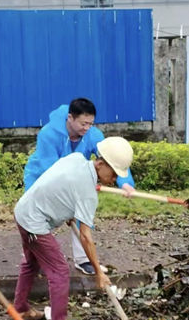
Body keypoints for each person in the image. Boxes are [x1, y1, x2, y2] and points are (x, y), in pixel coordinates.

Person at [12, 136, 134, 320]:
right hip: (34, 222)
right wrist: (98, 272)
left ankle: (21, 309)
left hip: (24, 210)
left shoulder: (77, 158)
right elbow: (86, 237)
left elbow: (60, 183)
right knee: (59, 270)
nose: (114, 179)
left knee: (31, 263)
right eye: (113, 173)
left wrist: (68, 210)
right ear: (101, 163)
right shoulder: (88, 192)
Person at [23, 98, 136, 275]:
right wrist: (65, 203)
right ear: (70, 118)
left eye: (91, 123)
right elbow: (50, 172)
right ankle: (36, 260)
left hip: (76, 179)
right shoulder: (48, 134)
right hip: (41, 178)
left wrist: (126, 183)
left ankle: (83, 259)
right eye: (84, 123)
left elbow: (112, 159)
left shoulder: (94, 135)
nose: (87, 128)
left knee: (83, 214)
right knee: (41, 219)